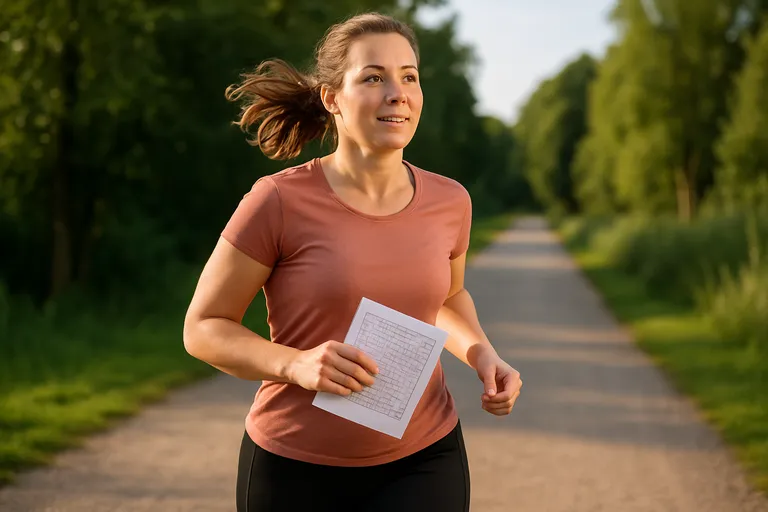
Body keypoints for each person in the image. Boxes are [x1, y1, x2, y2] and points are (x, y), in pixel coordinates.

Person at [182, 11, 522, 512]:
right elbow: (203, 327)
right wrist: (295, 365)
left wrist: (481, 353)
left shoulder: (451, 202)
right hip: (294, 468)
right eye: (373, 77)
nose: (398, 93)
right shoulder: (277, 200)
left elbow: (446, 297)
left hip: (424, 456)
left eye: (409, 76)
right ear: (331, 97)